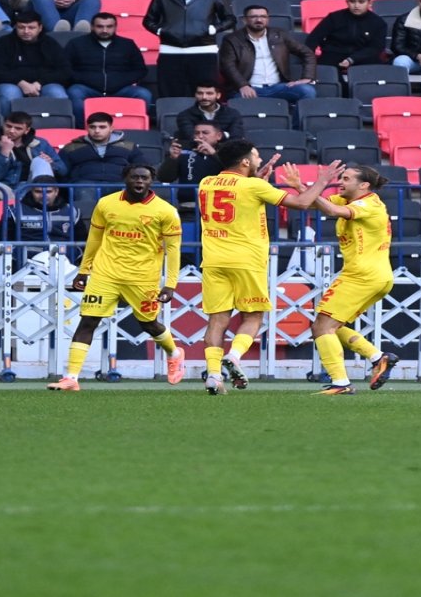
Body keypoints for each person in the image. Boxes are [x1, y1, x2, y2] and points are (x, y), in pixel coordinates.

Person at [196, 140, 329, 394]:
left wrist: (258, 178)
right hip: (246, 260)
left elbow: (238, 193)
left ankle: (213, 374)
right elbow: (301, 204)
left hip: (213, 260)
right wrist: (322, 181)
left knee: (217, 319)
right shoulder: (254, 185)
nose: (259, 160)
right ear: (245, 162)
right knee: (254, 316)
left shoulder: (206, 183)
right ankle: (233, 357)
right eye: (255, 157)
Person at [46, 165, 186, 391]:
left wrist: (170, 284)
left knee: (148, 324)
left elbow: (174, 249)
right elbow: (94, 239)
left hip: (142, 277)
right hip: (105, 274)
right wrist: (84, 270)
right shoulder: (106, 203)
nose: (139, 182)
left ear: (152, 182)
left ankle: (175, 353)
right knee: (88, 321)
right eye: (135, 177)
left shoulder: (165, 211)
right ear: (125, 178)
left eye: (144, 178)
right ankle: (71, 378)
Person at [279, 164, 399, 396]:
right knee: (335, 325)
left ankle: (340, 382)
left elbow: (333, 211)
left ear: (363, 185)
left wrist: (318, 184)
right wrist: (300, 187)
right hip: (374, 275)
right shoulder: (350, 200)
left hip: (361, 276)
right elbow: (320, 203)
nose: (340, 182)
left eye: (346, 179)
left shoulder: (368, 204)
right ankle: (378, 357)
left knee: (322, 327)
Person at [144, 0, 236, 99]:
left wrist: (212, 29)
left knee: (204, 96)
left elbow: (230, 19)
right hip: (170, 53)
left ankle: (204, 121)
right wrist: (161, 31)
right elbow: (148, 20)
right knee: (170, 95)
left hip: (204, 52)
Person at [64, 13, 152, 125]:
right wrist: (86, 79)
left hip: (120, 88)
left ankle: (136, 126)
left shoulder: (127, 44)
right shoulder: (76, 44)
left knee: (143, 94)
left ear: (115, 27)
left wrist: (121, 80)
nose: (104, 30)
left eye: (109, 27)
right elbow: (65, 68)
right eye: (100, 26)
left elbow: (140, 70)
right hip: (88, 88)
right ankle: (81, 129)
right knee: (75, 92)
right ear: (92, 27)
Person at [218, 6, 317, 104]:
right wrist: (242, 85)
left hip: (278, 87)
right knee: (238, 102)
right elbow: (227, 65)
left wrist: (307, 77)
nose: (259, 20)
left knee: (307, 91)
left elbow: (307, 53)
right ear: (244, 20)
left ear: (268, 19)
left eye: (263, 16)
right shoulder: (232, 39)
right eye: (253, 17)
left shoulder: (280, 35)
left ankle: (297, 121)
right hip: (249, 88)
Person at [0, 11, 72, 115]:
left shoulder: (50, 43)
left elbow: (65, 70)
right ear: (15, 27)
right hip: (11, 83)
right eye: (21, 27)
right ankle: (6, 127)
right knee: (10, 93)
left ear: (40, 28)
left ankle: (57, 129)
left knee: (58, 94)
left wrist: (40, 83)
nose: (26, 31)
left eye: (31, 28)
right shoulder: (2, 42)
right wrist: (21, 83)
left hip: (44, 83)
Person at [304, 0, 386, 71]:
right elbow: (314, 38)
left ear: (370, 3)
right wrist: (309, 60)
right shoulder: (334, 17)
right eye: (352, 1)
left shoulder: (378, 22)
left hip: (363, 56)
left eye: (361, 2)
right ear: (347, 2)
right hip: (333, 54)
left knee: (377, 69)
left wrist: (352, 59)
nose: (356, 6)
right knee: (322, 70)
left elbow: (376, 47)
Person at [59, 112, 147, 185]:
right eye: (92, 127)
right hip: (84, 185)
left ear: (111, 128)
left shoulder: (128, 146)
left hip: (120, 184)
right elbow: (61, 174)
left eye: (102, 127)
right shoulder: (71, 148)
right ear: (87, 128)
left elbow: (143, 168)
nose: (97, 131)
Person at [0, 111, 67, 187]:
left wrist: (51, 164)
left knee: (40, 161)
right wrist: (4, 153)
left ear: (27, 130)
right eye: (8, 126)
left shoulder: (41, 144)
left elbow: (63, 171)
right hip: (6, 188)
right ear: (3, 125)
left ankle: (40, 197)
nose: (11, 131)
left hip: (33, 188)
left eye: (18, 128)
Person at [7, 183, 82, 262]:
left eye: (49, 191)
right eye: (38, 191)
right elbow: (4, 239)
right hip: (26, 261)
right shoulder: (15, 210)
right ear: (31, 191)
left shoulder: (72, 211)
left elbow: (82, 239)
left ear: (56, 192)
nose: (43, 195)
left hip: (65, 259)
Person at [158, 120, 223, 205]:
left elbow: (236, 174)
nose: (200, 136)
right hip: (188, 207)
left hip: (219, 205)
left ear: (218, 136)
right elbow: (165, 178)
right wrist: (172, 159)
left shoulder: (227, 152)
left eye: (205, 133)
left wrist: (214, 154)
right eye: (197, 133)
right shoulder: (183, 151)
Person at [174, 84, 244, 141]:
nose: (204, 97)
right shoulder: (184, 115)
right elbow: (192, 137)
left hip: (225, 153)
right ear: (195, 95)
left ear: (218, 95)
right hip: (196, 153)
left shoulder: (233, 114)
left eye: (209, 93)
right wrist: (226, 135)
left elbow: (236, 138)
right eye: (200, 93)